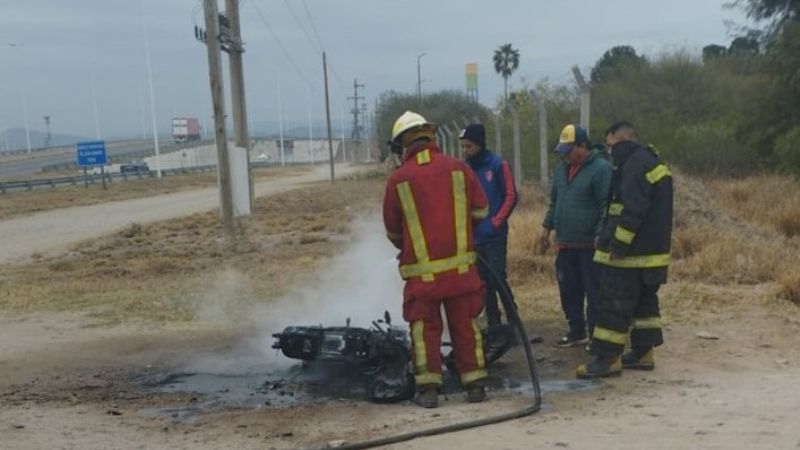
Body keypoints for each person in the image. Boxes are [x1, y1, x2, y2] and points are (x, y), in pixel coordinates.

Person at [383, 111, 490, 408]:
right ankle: (476, 385)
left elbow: (392, 230)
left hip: (422, 278)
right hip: (461, 271)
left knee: (424, 331)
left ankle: (429, 391)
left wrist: (414, 247)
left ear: (404, 143)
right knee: (466, 327)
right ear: (431, 137)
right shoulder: (459, 169)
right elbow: (481, 211)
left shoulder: (398, 180)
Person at [576, 121, 673, 379]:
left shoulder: (633, 166)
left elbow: (631, 210)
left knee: (613, 303)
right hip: (652, 253)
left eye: (610, 145)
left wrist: (618, 244)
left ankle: (607, 359)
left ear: (621, 141)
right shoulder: (650, 161)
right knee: (644, 304)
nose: (609, 152)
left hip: (630, 255)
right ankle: (643, 352)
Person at [540, 124, 612, 348]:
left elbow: (606, 205)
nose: (565, 155)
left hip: (589, 245)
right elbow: (555, 201)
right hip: (565, 243)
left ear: (583, 146)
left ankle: (596, 334)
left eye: (569, 150)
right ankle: (576, 329)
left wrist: (601, 233)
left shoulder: (601, 169)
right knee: (569, 290)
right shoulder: (561, 170)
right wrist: (546, 227)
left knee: (594, 292)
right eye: (563, 151)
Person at [460, 123, 518, 327]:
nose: (466, 151)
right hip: (474, 237)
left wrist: (496, 222)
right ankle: (494, 323)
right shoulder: (464, 169)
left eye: (469, 146)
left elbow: (511, 195)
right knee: (482, 283)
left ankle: (514, 323)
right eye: (463, 147)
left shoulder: (498, 164)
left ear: (480, 144)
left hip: (494, 235)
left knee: (498, 278)